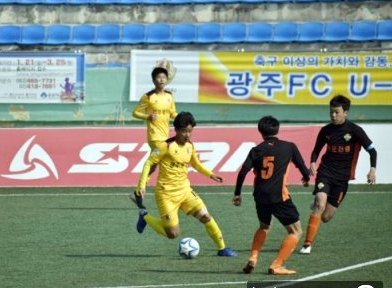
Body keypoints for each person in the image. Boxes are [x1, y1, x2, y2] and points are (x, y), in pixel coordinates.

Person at [135, 112, 236, 257]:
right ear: (176, 130)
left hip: (185, 191)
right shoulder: (165, 146)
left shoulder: (190, 146)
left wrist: (210, 174)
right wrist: (142, 185)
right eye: (184, 131)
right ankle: (145, 216)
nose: (187, 135)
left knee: (206, 216)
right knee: (172, 234)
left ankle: (222, 248)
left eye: (190, 131)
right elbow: (149, 163)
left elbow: (196, 163)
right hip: (166, 195)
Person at [299, 95, 377, 254]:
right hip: (325, 173)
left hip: (342, 179)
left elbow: (372, 151)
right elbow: (316, 150)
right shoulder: (326, 130)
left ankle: (317, 205)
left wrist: (372, 169)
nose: (333, 115)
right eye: (331, 112)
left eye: (336, 112)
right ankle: (307, 244)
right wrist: (313, 163)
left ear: (345, 112)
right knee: (320, 205)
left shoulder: (355, 131)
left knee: (326, 217)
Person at [233, 116, 310, 275]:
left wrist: (237, 193)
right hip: (279, 196)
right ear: (278, 129)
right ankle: (277, 265)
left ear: (260, 131)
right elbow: (302, 166)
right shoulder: (289, 147)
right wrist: (306, 177)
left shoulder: (256, 150)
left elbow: (243, 172)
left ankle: (253, 257)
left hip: (260, 195)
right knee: (296, 231)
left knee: (264, 226)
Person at [130, 66, 177, 209]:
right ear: (154, 80)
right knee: (160, 161)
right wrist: (148, 116)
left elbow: (173, 113)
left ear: (167, 80)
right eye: (159, 77)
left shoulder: (169, 96)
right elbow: (135, 112)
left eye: (164, 77)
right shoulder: (148, 96)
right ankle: (144, 190)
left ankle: (138, 191)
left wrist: (182, 119)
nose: (161, 80)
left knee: (154, 164)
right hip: (154, 136)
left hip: (165, 135)